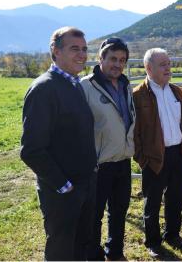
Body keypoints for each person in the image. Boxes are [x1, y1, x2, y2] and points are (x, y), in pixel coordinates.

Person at [20, 27, 97, 260]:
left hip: (84, 185)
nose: (82, 54)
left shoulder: (74, 84)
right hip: (62, 192)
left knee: (81, 245)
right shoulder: (44, 89)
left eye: (84, 49)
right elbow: (32, 150)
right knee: (62, 252)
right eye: (75, 48)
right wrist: (65, 186)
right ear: (55, 51)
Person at [133, 48, 182, 258]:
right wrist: (142, 159)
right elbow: (135, 132)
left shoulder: (177, 92)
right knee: (152, 201)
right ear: (148, 68)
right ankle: (152, 241)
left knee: (176, 198)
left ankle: (173, 235)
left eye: (168, 63)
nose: (168, 68)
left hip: (178, 153)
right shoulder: (138, 95)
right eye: (163, 65)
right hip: (154, 157)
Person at [80, 37, 135, 261]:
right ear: (100, 58)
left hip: (123, 159)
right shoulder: (85, 86)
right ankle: (93, 256)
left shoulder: (125, 84)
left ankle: (115, 252)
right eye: (112, 58)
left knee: (119, 211)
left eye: (122, 60)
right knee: (94, 215)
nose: (117, 64)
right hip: (98, 164)